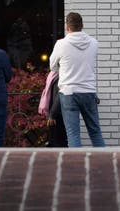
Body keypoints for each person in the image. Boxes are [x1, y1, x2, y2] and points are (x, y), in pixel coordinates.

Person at [50, 12, 105, 147]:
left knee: (73, 134)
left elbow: (52, 66)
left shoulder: (61, 44)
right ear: (82, 26)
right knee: (95, 132)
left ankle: (76, 166)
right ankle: (105, 162)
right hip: (88, 92)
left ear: (67, 27)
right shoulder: (93, 43)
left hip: (68, 93)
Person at [38, 71, 68, 147]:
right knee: (55, 140)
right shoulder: (52, 75)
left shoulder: (59, 76)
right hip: (54, 112)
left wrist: (52, 114)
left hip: (58, 114)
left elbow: (58, 97)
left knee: (58, 142)